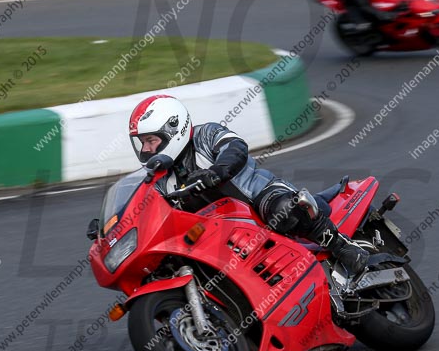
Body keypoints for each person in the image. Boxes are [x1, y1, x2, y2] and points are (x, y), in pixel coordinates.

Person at [128, 94, 369, 283]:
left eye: (151, 140)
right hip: (222, 231)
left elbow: (235, 146)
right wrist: (118, 224)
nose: (146, 149)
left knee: (283, 210)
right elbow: (146, 206)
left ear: (174, 129)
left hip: (259, 197)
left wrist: (217, 171)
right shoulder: (160, 179)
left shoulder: (206, 135)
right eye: (143, 143)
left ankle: (341, 246)